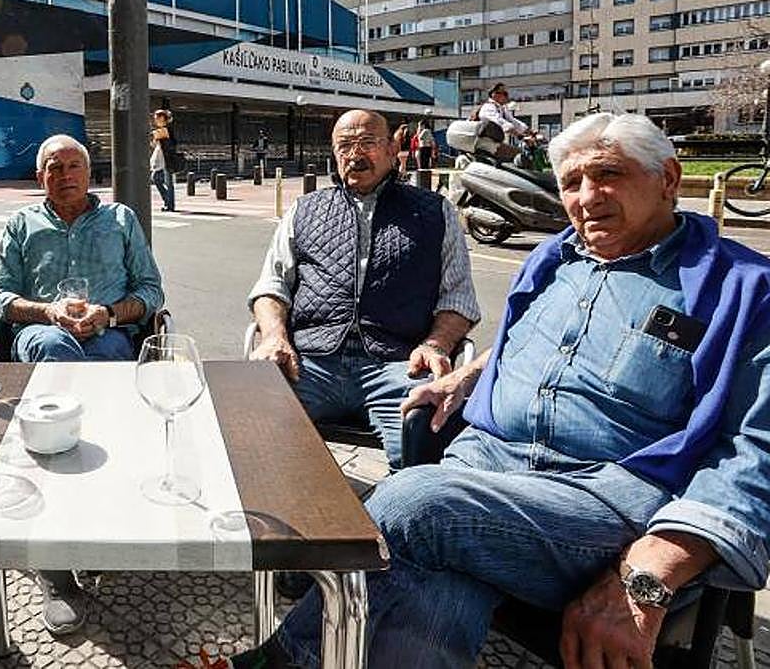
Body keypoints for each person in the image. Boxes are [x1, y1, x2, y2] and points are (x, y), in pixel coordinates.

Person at [234, 112, 770, 669]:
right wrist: (466, 376)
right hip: (483, 466)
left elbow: (756, 451)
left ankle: (279, 659)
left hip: (600, 497)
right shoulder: (556, 259)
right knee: (434, 593)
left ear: (668, 178)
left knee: (414, 501)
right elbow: (524, 341)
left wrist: (651, 568)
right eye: (571, 182)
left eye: (608, 174)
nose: (588, 197)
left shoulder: (746, 289)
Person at [0, 133, 164, 634]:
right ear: (40, 176)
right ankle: (56, 566)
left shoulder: (120, 220)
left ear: (89, 171)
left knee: (102, 368)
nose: (65, 176)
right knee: (54, 351)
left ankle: (94, 518)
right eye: (54, 167)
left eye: (73, 166)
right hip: (43, 335)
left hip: (110, 335)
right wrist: (47, 311)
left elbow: (151, 290)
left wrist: (108, 313)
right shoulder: (22, 223)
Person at [247, 109, 480, 469]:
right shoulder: (304, 209)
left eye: (367, 143)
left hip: (397, 364)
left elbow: (458, 298)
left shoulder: (435, 212)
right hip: (310, 362)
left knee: (420, 439)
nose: (355, 155)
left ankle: (397, 506)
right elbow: (271, 286)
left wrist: (435, 344)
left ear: (391, 150)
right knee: (253, 428)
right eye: (344, 146)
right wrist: (274, 337)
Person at [150, 108, 180, 212]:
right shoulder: (159, 130)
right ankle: (167, 201)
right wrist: (156, 139)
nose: (156, 121)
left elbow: (173, 143)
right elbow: (154, 145)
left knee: (168, 182)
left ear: (162, 118)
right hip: (159, 158)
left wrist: (164, 139)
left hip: (167, 158)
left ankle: (170, 205)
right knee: (155, 178)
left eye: (157, 118)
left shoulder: (168, 129)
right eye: (155, 119)